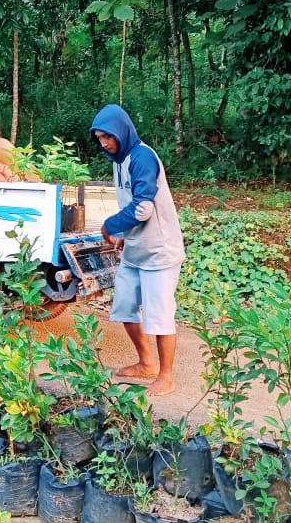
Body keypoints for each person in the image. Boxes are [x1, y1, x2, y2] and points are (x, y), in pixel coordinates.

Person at [90, 104, 185, 396]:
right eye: (99, 138)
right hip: (135, 249)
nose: (104, 143)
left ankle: (166, 377)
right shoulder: (119, 160)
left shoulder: (142, 157)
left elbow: (143, 208)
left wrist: (111, 225)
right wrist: (121, 234)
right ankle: (147, 364)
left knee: (160, 316)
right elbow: (129, 205)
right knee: (125, 307)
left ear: (122, 131)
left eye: (108, 136)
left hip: (159, 251)